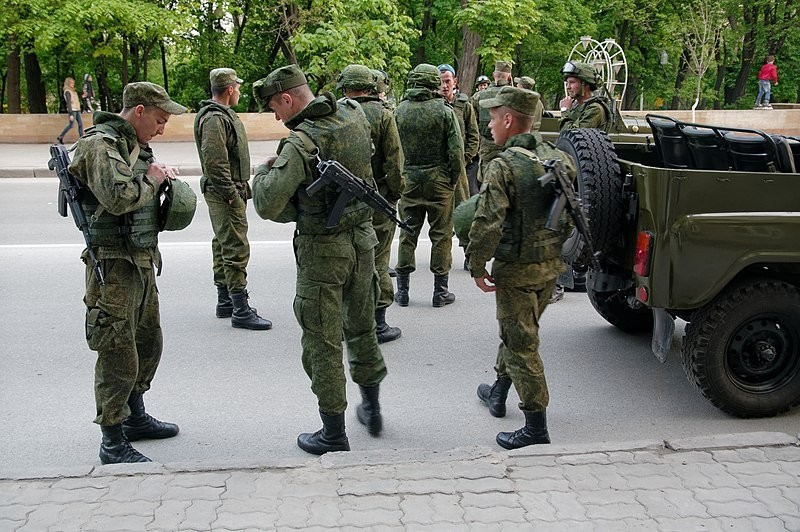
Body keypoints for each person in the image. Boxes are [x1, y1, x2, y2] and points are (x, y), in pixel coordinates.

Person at [251, 65, 387, 455]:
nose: (277, 117)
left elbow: (267, 203)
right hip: (363, 241)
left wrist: (261, 174)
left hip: (323, 251)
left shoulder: (300, 143)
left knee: (322, 340)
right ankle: (372, 406)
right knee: (362, 327)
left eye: (275, 108)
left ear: (287, 98)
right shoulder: (353, 114)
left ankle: (333, 433)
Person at [67, 82, 188, 464]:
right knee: (117, 351)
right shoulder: (99, 145)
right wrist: (153, 178)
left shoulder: (129, 144)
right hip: (113, 265)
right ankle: (112, 440)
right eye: (159, 119)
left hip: (140, 259)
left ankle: (135, 417)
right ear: (139, 110)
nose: (162, 129)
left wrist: (159, 179)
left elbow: (138, 186)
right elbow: (119, 198)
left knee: (147, 341)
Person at [465, 86, 575, 450]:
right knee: (519, 333)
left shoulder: (503, 166)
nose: (490, 126)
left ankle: (535, 427)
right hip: (549, 268)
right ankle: (499, 391)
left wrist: (476, 264)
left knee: (521, 344)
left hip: (517, 272)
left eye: (493, 118)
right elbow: (569, 218)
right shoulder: (559, 158)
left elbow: (488, 222)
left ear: (509, 120)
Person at [194, 68, 271, 331]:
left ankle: (226, 301)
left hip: (226, 191)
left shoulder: (220, 115)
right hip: (225, 192)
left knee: (223, 243)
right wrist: (232, 196)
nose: (239, 91)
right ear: (229, 90)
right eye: (237, 87)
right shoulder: (215, 119)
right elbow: (215, 163)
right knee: (235, 247)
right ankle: (240, 308)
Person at [336, 64, 403, 344]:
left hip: (342, 199)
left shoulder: (336, 111)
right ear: (370, 86)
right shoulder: (383, 114)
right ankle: (378, 323)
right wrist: (395, 193)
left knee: (347, 260)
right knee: (378, 258)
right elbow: (394, 160)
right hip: (378, 197)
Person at [393, 64, 464, 308]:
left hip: (410, 181)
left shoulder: (399, 111)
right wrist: (453, 178)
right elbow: (456, 151)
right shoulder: (444, 111)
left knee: (407, 233)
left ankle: (402, 291)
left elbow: (393, 150)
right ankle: (439, 292)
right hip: (439, 181)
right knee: (441, 235)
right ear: (434, 82)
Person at [438, 63, 479, 205]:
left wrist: (465, 159)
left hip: (461, 166)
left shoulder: (464, 106)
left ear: (454, 82)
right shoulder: (434, 106)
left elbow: (474, 136)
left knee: (461, 205)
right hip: (439, 168)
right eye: (441, 82)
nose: (444, 86)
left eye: (447, 81)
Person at [472, 61, 513, 180]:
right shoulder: (515, 95)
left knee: (486, 179)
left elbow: (472, 124)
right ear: (509, 77)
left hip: (487, 146)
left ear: (494, 75)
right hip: (510, 147)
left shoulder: (478, 96)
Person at [558, 61, 611, 132]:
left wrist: (564, 110)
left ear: (585, 84)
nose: (568, 87)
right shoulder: (576, 106)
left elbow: (574, 134)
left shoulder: (595, 109)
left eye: (572, 82)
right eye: (567, 83)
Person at [57, 77, 84, 144]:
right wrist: (71, 114)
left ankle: (82, 139)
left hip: (77, 109)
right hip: (73, 110)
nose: (73, 84)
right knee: (71, 125)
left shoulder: (74, 91)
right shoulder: (67, 92)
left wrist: (82, 97)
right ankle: (61, 136)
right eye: (71, 83)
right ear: (68, 83)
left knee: (80, 124)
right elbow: (68, 103)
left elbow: (76, 100)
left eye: (73, 83)